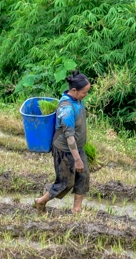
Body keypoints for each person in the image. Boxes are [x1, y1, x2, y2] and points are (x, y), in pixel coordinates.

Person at [34, 71, 91, 214]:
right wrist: (77, 160)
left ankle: (76, 209)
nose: (86, 95)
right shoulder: (66, 108)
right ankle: (40, 201)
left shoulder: (77, 100)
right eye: (84, 92)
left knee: (83, 177)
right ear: (73, 90)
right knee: (65, 183)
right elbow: (69, 136)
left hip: (78, 148)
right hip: (64, 150)